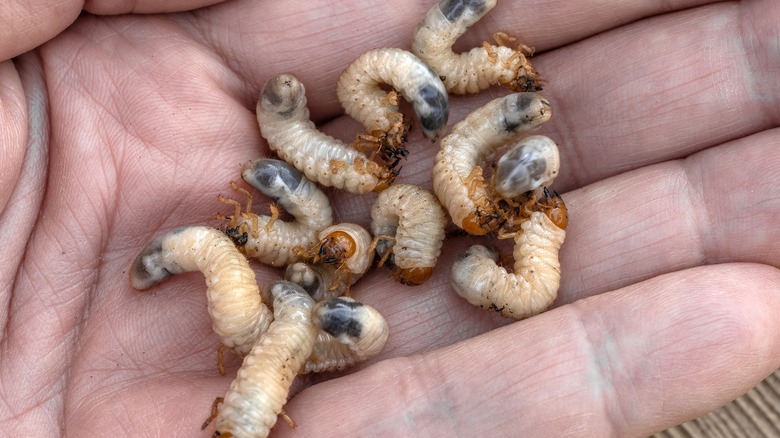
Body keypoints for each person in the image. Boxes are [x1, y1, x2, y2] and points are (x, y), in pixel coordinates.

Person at [2, 0, 779, 436]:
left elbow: (417, 162)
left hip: (384, 220)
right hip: (355, 228)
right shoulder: (367, 206)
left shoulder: (414, 197)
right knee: (260, 255)